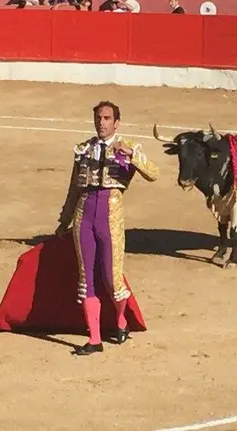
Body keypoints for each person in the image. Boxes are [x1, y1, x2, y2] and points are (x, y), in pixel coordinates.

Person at [55, 101, 159, 356]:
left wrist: (132, 155)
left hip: (111, 216)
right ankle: (94, 338)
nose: (101, 122)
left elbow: (153, 173)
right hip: (84, 215)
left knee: (111, 278)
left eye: (106, 118)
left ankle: (121, 321)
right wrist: (64, 220)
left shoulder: (129, 147)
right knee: (86, 278)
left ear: (116, 122)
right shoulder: (83, 149)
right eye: (98, 118)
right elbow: (74, 189)